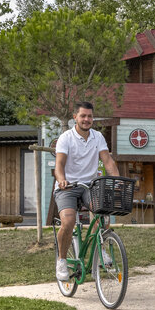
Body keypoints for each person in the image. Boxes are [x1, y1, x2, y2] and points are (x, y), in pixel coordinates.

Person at [54, 101, 119, 282]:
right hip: (67, 187)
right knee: (68, 222)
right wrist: (61, 180)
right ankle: (61, 260)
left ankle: (101, 250)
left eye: (90, 116)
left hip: (89, 186)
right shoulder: (66, 137)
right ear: (75, 117)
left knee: (102, 214)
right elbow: (59, 165)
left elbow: (108, 162)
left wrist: (118, 181)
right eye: (83, 116)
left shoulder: (98, 137)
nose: (86, 119)